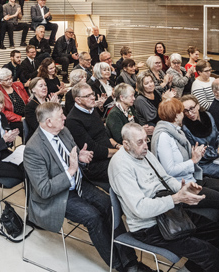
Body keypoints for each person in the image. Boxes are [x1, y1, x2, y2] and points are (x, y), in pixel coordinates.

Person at [23, 101, 139, 272]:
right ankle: (117, 264)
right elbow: (44, 189)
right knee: (93, 217)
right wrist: (70, 171)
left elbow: (72, 153)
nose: (65, 117)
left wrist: (81, 156)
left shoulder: (63, 131)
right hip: (58, 196)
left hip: (78, 184)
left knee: (110, 206)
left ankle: (130, 261)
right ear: (48, 122)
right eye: (60, 115)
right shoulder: (33, 149)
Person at [110, 122, 219, 272]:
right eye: (139, 142)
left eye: (146, 139)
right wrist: (176, 199)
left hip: (168, 213)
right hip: (148, 227)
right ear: (126, 144)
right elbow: (140, 209)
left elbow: (165, 178)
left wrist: (183, 188)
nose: (146, 145)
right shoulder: (120, 166)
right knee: (210, 254)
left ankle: (191, 269)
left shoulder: (143, 153)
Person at [152, 98, 219, 263]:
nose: (184, 114)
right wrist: (193, 160)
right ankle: (217, 249)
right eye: (181, 111)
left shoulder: (174, 130)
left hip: (193, 178)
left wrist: (196, 154)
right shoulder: (164, 136)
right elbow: (169, 171)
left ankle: (217, 245)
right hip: (184, 187)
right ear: (175, 115)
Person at [181, 94, 219, 176]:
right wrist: (217, 152)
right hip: (204, 163)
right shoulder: (186, 128)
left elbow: (217, 134)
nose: (190, 113)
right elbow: (196, 153)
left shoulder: (208, 115)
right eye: (185, 111)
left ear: (198, 106)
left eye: (192, 108)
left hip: (218, 155)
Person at [65, 82, 115, 182]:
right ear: (78, 100)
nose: (93, 97)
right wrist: (117, 153)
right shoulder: (73, 120)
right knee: (127, 169)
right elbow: (92, 149)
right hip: (94, 164)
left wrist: (118, 146)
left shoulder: (91, 109)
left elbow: (103, 134)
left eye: (92, 94)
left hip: (108, 154)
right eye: (87, 96)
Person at [25, 76, 57, 141]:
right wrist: (50, 109)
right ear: (33, 90)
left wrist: (56, 107)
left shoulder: (49, 101)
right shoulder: (30, 107)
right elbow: (38, 127)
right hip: (39, 138)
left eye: (45, 85)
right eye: (41, 86)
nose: (44, 88)